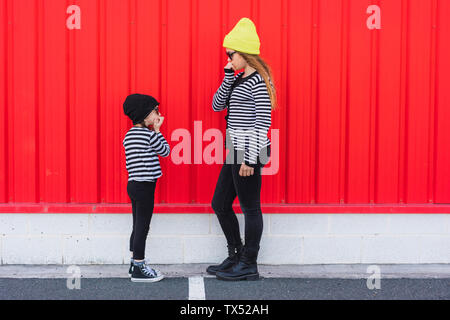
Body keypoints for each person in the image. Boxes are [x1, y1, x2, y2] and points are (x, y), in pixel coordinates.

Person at [208, 17, 277, 281]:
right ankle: (236, 254)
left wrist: (249, 159)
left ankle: (249, 264)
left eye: (231, 54)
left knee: (250, 207)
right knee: (220, 204)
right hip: (235, 150)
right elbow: (216, 105)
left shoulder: (258, 82)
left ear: (244, 53)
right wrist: (227, 77)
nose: (228, 58)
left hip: (250, 151)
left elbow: (263, 123)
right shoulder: (238, 79)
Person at [122, 93, 170, 283]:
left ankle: (134, 262)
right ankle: (139, 267)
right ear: (144, 115)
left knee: (137, 224)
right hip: (145, 186)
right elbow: (165, 151)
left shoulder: (128, 136)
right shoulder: (149, 135)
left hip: (133, 184)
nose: (158, 114)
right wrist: (158, 130)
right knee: (143, 226)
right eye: (154, 111)